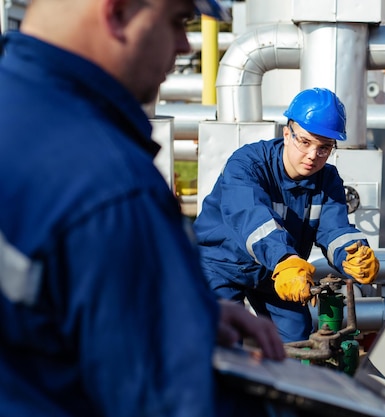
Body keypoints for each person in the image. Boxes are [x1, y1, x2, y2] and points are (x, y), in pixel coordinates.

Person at [0, 0, 285, 416]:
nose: (185, 45)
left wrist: (182, 308)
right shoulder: (109, 187)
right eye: (176, 21)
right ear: (116, 13)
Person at [193, 87, 381, 343]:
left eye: (324, 147)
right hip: (221, 264)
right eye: (305, 142)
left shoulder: (327, 179)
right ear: (287, 133)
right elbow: (251, 218)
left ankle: (279, 383)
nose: (313, 155)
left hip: (275, 273)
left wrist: (353, 252)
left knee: (296, 337)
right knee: (221, 338)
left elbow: (334, 229)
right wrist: (285, 259)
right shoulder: (247, 164)